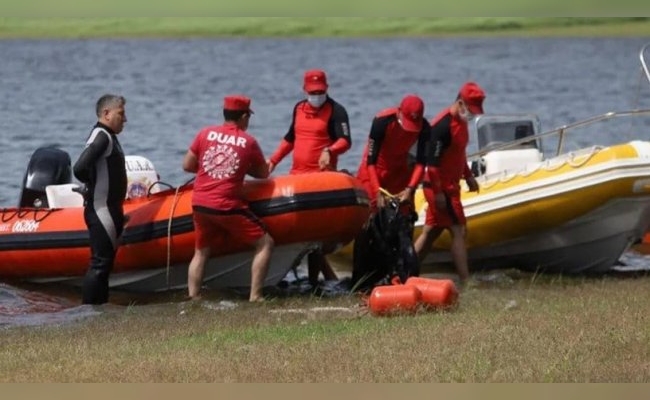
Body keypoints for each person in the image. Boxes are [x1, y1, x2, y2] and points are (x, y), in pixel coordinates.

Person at [182, 95, 273, 302]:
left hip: (200, 203)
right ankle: (256, 296)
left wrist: (211, 169)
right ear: (243, 117)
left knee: (201, 251)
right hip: (226, 205)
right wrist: (244, 167)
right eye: (248, 117)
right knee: (265, 243)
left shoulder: (205, 133)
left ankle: (193, 297)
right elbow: (263, 173)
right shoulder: (248, 142)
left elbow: (187, 165)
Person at [267, 69, 352, 287]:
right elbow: (290, 138)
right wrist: (273, 161)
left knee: (315, 238)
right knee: (300, 237)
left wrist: (330, 151)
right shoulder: (298, 108)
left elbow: (346, 141)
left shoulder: (337, 111)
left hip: (321, 182)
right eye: (313, 92)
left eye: (320, 92)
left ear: (327, 89)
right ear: (305, 90)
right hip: (298, 178)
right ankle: (297, 276)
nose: (316, 96)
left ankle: (315, 283)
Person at [351, 94, 431, 290]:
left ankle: (402, 276)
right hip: (374, 172)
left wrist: (410, 189)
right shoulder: (382, 122)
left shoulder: (425, 128)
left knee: (403, 223)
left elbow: (421, 163)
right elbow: (370, 161)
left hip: (401, 174)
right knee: (368, 223)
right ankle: (361, 280)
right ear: (399, 113)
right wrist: (377, 191)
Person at [413, 81, 485, 285]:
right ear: (460, 103)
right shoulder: (442, 127)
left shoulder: (462, 123)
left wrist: (468, 176)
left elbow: (458, 154)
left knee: (430, 232)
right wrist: (438, 194)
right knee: (458, 230)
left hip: (452, 187)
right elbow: (432, 166)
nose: (472, 115)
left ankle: (406, 270)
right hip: (439, 188)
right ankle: (466, 280)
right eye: (470, 110)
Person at [73, 94, 128, 305]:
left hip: (110, 209)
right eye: (121, 114)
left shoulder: (108, 136)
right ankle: (90, 312)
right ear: (106, 113)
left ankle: (100, 310)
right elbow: (79, 168)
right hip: (101, 209)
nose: (125, 119)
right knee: (100, 263)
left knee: (105, 264)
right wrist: (91, 186)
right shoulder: (102, 136)